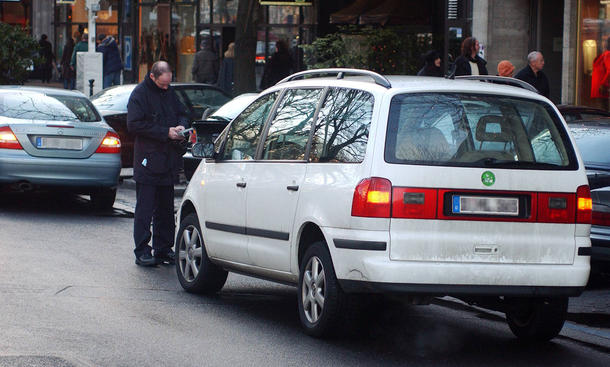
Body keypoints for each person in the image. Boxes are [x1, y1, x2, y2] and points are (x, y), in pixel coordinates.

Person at [127, 61, 190, 267]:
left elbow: (183, 112)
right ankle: (143, 250)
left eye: (168, 83)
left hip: (167, 159)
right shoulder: (140, 94)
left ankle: (163, 248)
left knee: (165, 208)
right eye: (163, 84)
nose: (166, 87)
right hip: (148, 159)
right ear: (153, 77)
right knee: (145, 209)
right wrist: (165, 132)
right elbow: (134, 124)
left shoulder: (169, 92)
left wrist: (182, 126)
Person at [591, 38, 610, 104]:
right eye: (602, 40)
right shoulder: (602, 55)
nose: (603, 43)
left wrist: (603, 84)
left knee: (601, 109)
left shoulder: (607, 54)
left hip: (601, 89)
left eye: (605, 41)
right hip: (597, 88)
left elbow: (609, 70)